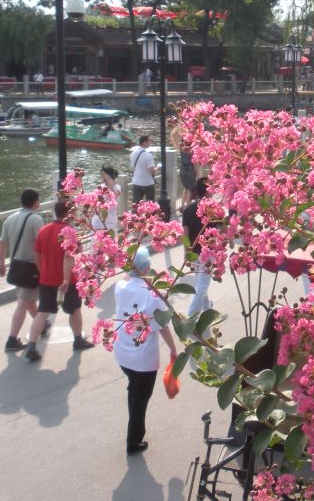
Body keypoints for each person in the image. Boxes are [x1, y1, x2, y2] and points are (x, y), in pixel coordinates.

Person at [113, 247, 177, 455]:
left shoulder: (120, 286)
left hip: (122, 352)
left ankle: (134, 430)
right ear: (146, 267)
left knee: (135, 391)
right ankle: (133, 441)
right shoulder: (151, 295)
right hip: (142, 359)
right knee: (140, 400)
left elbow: (129, 277)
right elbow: (163, 326)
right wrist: (173, 349)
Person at [25, 199, 95, 361]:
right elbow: (68, 257)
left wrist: (42, 271)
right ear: (69, 214)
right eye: (74, 212)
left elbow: (37, 254)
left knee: (42, 312)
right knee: (75, 310)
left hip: (46, 279)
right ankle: (78, 340)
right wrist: (65, 279)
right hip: (67, 280)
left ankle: (32, 346)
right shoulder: (69, 232)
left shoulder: (44, 230)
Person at [0, 189, 47, 352]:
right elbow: (41, 245)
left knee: (29, 300)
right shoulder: (35, 219)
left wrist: (1, 264)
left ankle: (42, 325)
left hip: (16, 266)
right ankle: (12, 339)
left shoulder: (10, 218)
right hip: (31, 267)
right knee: (23, 303)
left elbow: (3, 243)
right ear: (35, 202)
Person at [182, 177, 213, 315]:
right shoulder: (213, 209)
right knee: (202, 284)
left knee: (199, 282)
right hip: (208, 253)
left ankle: (207, 306)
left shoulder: (188, 209)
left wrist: (186, 253)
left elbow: (185, 235)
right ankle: (191, 315)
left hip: (193, 252)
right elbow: (224, 230)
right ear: (208, 191)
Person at [91, 165, 122, 232]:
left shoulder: (117, 188)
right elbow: (95, 204)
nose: (103, 177)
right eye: (102, 175)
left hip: (110, 222)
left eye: (104, 175)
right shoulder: (101, 186)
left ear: (109, 175)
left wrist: (110, 183)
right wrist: (90, 217)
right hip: (98, 221)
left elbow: (114, 196)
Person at [129, 135, 158, 205]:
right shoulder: (148, 155)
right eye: (149, 141)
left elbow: (132, 167)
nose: (150, 143)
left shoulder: (133, 154)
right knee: (150, 205)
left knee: (136, 205)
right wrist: (158, 167)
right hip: (148, 183)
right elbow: (152, 171)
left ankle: (135, 212)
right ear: (144, 142)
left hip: (136, 182)